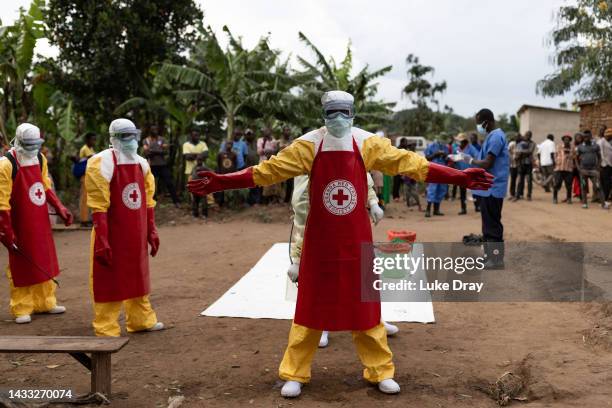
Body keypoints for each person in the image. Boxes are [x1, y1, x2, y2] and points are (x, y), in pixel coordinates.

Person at [188, 90, 492, 398]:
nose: (338, 118)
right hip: (319, 243)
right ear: (323, 115)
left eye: (343, 112)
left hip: (355, 240)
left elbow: (412, 164)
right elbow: (266, 172)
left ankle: (380, 370)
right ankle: (294, 372)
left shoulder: (367, 143)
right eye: (332, 112)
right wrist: (222, 181)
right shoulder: (307, 145)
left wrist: (460, 177)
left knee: (365, 309)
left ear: (353, 114)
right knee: (309, 309)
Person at [287, 172, 397, 348]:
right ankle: (322, 325)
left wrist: (373, 202)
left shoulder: (350, 145)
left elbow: (362, 174)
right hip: (322, 230)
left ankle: (376, 320)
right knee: (324, 279)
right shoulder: (307, 151)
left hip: (352, 226)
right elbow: (302, 211)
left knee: (365, 275)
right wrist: (298, 258)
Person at [85, 118, 164, 336]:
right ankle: (106, 326)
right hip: (111, 231)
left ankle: (141, 320)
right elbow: (98, 204)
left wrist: (152, 230)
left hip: (135, 232)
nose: (131, 141)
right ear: (114, 139)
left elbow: (148, 200)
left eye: (133, 136)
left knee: (137, 275)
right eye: (125, 136)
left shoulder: (141, 163)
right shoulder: (101, 162)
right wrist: (102, 238)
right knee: (109, 276)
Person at [0, 123, 73, 324]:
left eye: (36, 144)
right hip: (19, 221)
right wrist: (6, 231)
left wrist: (60, 207)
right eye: (29, 144)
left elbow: (45, 187)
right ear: (20, 141)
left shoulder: (39, 159)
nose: (33, 148)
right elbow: (2, 202)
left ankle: (46, 302)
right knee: (20, 263)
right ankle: (22, 306)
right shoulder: (6, 165)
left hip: (39, 219)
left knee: (44, 258)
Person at [453, 109, 509, 269]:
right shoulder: (492, 136)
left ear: (486, 122)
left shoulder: (496, 137)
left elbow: (488, 163)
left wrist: (468, 159)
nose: (478, 126)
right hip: (488, 187)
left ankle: (497, 260)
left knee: (492, 226)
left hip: (493, 187)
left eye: (479, 123)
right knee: (487, 224)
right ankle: (489, 256)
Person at [143, 124, 180, 207]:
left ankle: (176, 201)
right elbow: (147, 153)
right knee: (150, 184)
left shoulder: (162, 139)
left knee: (169, 182)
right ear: (150, 131)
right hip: (151, 165)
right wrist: (159, 151)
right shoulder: (146, 140)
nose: (154, 131)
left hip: (162, 165)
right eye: (153, 129)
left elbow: (165, 151)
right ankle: (149, 202)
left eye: (156, 129)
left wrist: (153, 151)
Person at [452, 133, 479, 214]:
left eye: (460, 141)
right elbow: (453, 159)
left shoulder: (471, 148)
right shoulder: (457, 149)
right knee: (462, 191)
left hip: (471, 172)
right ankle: (463, 208)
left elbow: (476, 157)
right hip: (461, 172)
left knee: (474, 190)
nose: (458, 143)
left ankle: (477, 206)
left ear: (464, 141)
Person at [576, 130, 604, 209]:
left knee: (598, 186)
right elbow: (576, 158)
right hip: (583, 170)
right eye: (584, 137)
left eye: (588, 136)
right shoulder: (580, 147)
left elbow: (599, 157)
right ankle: (584, 203)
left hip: (593, 170)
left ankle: (603, 203)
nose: (586, 138)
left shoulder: (596, 146)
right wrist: (578, 168)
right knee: (584, 186)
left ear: (591, 137)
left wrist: (598, 166)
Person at [424, 139, 449, 217]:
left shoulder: (445, 147)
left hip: (442, 170)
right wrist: (436, 154)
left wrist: (445, 156)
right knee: (432, 189)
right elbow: (427, 157)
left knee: (441, 189)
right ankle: (428, 210)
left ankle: (436, 210)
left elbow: (447, 159)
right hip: (433, 170)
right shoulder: (431, 146)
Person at [78, 132, 97, 226]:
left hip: (89, 175)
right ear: (87, 140)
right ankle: (83, 220)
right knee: (84, 198)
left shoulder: (90, 149)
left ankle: (87, 218)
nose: (94, 142)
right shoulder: (85, 149)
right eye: (92, 139)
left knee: (89, 197)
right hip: (84, 175)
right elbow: (93, 158)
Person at [553, 135, 574, 204]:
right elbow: (555, 155)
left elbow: (574, 156)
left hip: (568, 169)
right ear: (563, 140)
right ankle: (555, 198)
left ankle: (569, 198)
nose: (566, 140)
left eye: (568, 139)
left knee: (569, 185)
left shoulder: (572, 148)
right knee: (557, 184)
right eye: (565, 139)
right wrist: (556, 162)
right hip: (559, 168)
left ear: (570, 141)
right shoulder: (559, 146)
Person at [215, 141, 238, 207]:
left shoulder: (234, 154)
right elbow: (218, 164)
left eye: (230, 144)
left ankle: (230, 203)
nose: (229, 145)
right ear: (225, 145)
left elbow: (235, 164)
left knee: (230, 189)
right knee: (221, 190)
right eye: (228, 144)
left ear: (232, 145)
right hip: (222, 175)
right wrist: (218, 173)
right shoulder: (220, 154)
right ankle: (220, 203)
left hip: (231, 175)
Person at [515, 130, 536, 201]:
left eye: (529, 135)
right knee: (520, 180)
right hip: (521, 163)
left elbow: (530, 151)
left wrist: (521, 152)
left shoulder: (532, 143)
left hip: (529, 164)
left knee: (529, 180)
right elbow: (517, 152)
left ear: (530, 136)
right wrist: (522, 152)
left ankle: (529, 195)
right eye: (526, 135)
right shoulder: (520, 143)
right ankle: (518, 195)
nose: (527, 136)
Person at [403, 142, 422, 211]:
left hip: (413, 176)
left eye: (413, 146)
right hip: (407, 176)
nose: (413, 148)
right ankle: (409, 204)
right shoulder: (407, 155)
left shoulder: (416, 156)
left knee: (414, 192)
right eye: (411, 146)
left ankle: (418, 205)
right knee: (407, 192)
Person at [597, 127, 612, 209]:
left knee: (606, 184)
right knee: (606, 184)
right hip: (604, 166)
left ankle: (604, 200)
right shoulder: (601, 142)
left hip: (609, 165)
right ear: (608, 135)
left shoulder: (607, 142)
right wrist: (602, 165)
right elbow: (601, 154)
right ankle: (604, 200)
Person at [507, 133, 520, 198]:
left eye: (519, 137)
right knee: (512, 179)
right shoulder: (512, 144)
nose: (518, 138)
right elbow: (508, 151)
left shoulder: (520, 144)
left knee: (518, 180)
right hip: (512, 164)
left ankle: (517, 194)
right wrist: (511, 159)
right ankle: (512, 193)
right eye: (516, 137)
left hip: (519, 165)